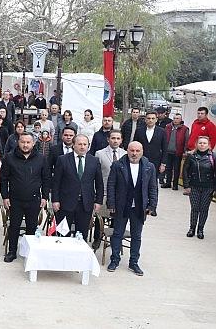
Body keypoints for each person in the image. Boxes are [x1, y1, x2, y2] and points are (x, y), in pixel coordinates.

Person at [106, 141, 158, 276]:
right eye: (132, 151)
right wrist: (111, 204)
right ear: (127, 151)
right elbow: (111, 185)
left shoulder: (149, 167)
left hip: (139, 207)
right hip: (121, 206)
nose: (134, 154)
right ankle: (115, 260)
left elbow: (153, 187)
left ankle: (134, 262)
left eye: (137, 151)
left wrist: (152, 205)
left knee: (137, 236)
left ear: (142, 152)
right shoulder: (118, 165)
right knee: (117, 234)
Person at [1, 132, 50, 263]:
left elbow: (46, 179)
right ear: (18, 142)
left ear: (33, 143)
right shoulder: (9, 157)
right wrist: (5, 196)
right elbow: (3, 179)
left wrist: (45, 197)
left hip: (34, 200)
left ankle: (29, 252)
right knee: (14, 226)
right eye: (23, 142)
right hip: (14, 199)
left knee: (32, 227)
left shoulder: (41, 158)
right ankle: (12, 252)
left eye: (28, 142)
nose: (25, 145)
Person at [51, 134, 103, 237]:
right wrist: (55, 200)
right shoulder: (63, 159)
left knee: (82, 235)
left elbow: (99, 183)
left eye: (85, 144)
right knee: (63, 234)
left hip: (85, 204)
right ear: (73, 145)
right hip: (65, 204)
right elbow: (56, 182)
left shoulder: (94, 161)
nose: (82, 147)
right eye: (79, 144)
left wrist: (98, 201)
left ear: (88, 146)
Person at [182, 136, 214, 239]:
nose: (202, 145)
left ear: (208, 145)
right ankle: (192, 228)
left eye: (204, 143)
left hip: (208, 187)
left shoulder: (213, 156)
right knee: (195, 208)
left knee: (204, 209)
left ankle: (200, 229)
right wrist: (186, 185)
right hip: (194, 186)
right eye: (200, 143)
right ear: (197, 144)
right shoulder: (191, 156)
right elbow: (185, 170)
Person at [134, 111, 167, 195]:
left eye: (153, 118)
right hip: (140, 160)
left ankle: (152, 202)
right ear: (145, 119)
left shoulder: (162, 131)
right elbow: (135, 145)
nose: (150, 120)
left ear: (156, 120)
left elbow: (165, 148)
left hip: (156, 161)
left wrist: (163, 164)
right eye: (148, 118)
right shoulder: (139, 131)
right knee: (139, 180)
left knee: (153, 183)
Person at [162, 113, 189, 190]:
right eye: (174, 118)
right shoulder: (168, 127)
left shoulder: (185, 129)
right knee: (168, 168)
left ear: (181, 120)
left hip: (178, 152)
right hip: (168, 151)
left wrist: (185, 151)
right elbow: (164, 138)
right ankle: (168, 183)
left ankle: (175, 184)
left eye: (177, 118)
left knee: (176, 169)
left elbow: (186, 141)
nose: (175, 120)